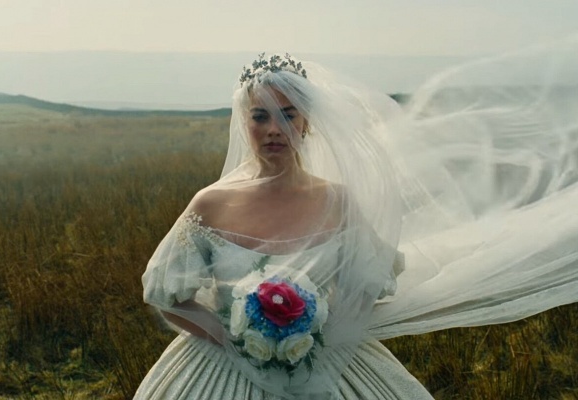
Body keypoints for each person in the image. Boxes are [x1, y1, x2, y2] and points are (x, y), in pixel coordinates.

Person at [135, 46, 578, 399]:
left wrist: (316, 333)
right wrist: (235, 340)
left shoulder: (338, 201)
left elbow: (365, 287)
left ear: (307, 122)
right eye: (261, 115)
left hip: (326, 364)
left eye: (288, 114)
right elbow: (168, 295)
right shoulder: (210, 204)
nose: (274, 129)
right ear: (244, 121)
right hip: (222, 370)